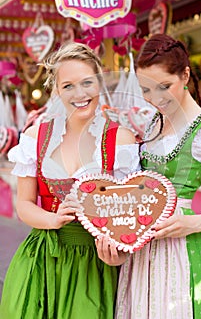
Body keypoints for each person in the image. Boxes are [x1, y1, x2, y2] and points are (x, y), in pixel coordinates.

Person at [0, 42, 139, 319]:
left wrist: (120, 253)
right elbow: (25, 205)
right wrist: (53, 220)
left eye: (87, 82)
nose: (80, 94)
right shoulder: (34, 137)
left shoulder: (120, 139)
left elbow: (128, 218)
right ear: (56, 90)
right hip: (42, 260)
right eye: (68, 86)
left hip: (95, 263)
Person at [114, 34, 201, 319]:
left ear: (185, 75)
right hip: (141, 256)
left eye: (164, 87)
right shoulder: (153, 123)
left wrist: (191, 223)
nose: (155, 99)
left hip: (182, 252)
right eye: (146, 90)